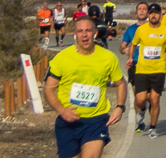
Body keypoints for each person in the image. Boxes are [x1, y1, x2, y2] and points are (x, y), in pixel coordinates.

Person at [45, 16, 127, 158]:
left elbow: (121, 83)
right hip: (68, 122)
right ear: (74, 34)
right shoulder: (61, 58)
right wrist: (62, 111)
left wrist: (120, 107)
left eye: (88, 30)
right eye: (80, 31)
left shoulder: (108, 58)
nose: (84, 35)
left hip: (96, 120)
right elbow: (48, 89)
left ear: (95, 33)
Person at [127, 3, 166, 138]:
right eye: (151, 13)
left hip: (158, 70)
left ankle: (153, 128)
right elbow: (133, 44)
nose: (153, 15)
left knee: (155, 100)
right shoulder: (141, 30)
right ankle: (142, 110)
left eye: (156, 13)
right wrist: (130, 58)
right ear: (149, 15)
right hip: (142, 70)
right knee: (140, 99)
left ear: (160, 15)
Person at [120, 2, 149, 84]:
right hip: (134, 63)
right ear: (136, 12)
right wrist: (124, 50)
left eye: (144, 9)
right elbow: (122, 46)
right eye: (139, 9)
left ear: (148, 12)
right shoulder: (130, 29)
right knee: (136, 94)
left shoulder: (153, 28)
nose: (142, 11)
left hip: (149, 63)